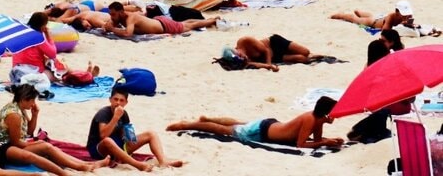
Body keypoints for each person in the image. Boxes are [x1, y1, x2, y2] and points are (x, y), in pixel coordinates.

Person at [167, 97, 343, 149]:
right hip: (263, 132)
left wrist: (330, 141)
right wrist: (325, 142)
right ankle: (187, 125)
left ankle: (207, 118)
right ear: (327, 112)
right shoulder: (310, 119)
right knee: (224, 130)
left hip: (270, 125)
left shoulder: (318, 120)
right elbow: (301, 144)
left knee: (237, 123)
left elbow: (318, 140)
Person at [88, 85, 181, 170]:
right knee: (108, 140)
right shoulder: (104, 113)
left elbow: (130, 139)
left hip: (118, 146)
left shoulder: (124, 114)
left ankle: (163, 161)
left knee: (151, 134)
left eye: (121, 100)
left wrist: (129, 135)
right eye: (115, 99)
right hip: (99, 149)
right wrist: (115, 118)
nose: (118, 103)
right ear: (110, 100)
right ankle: (138, 165)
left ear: (126, 102)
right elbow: (103, 136)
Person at [105, 1, 219, 37]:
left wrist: (113, 29)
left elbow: (128, 34)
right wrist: (108, 26)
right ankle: (210, 19)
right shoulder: (119, 17)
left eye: (113, 14)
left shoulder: (131, 17)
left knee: (189, 26)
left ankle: (212, 21)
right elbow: (108, 25)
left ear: (121, 12)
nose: (112, 17)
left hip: (163, 26)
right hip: (158, 21)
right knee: (184, 23)